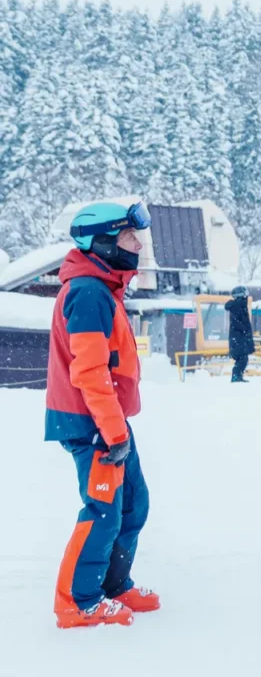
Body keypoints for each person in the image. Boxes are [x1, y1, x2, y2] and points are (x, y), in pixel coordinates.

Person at [47, 200, 158, 628]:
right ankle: (79, 601)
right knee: (104, 510)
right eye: (131, 236)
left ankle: (113, 584)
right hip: (92, 421)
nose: (138, 244)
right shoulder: (89, 292)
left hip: (107, 419)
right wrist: (112, 432)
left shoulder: (102, 287)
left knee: (133, 504)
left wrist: (117, 426)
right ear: (104, 242)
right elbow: (89, 370)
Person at [227, 286, 253, 383]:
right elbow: (237, 322)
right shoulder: (237, 306)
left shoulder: (239, 306)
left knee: (243, 358)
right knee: (242, 358)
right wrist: (244, 329)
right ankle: (236, 377)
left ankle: (238, 376)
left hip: (239, 338)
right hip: (238, 338)